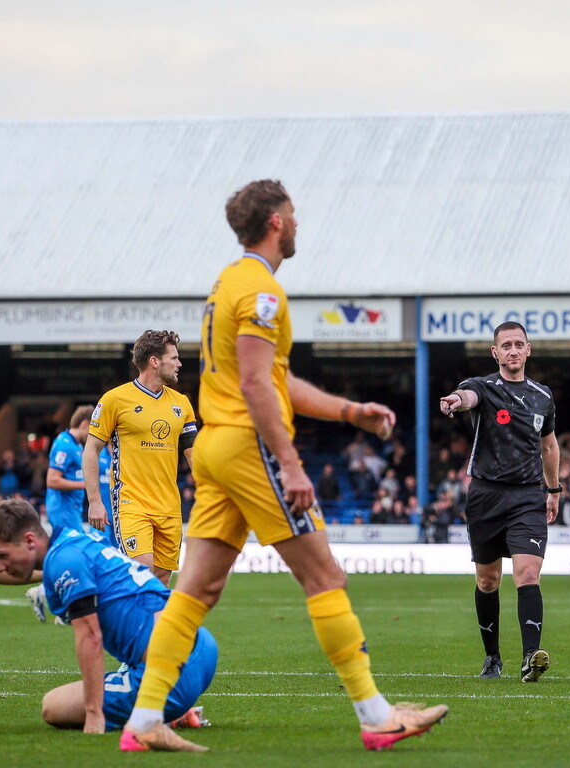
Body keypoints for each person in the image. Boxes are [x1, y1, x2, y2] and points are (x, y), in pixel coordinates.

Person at [119, 179, 447, 753]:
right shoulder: (263, 292)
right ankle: (376, 717)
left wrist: (349, 411)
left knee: (195, 591)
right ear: (275, 222)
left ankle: (145, 721)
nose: (298, 224)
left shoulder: (229, 283)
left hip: (218, 449)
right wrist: (292, 465)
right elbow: (255, 384)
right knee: (325, 578)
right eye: (293, 215)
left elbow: (273, 377)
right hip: (250, 449)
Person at [0, 499, 214, 739]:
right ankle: (164, 709)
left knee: (54, 706)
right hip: (202, 647)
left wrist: (94, 713)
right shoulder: (70, 543)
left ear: (29, 540)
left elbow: (91, 636)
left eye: (1, 555)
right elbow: (22, 571)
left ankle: (166, 713)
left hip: (173, 674)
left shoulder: (64, 561)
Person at [439, 321, 560, 682]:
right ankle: (492, 657)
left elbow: (549, 445)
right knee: (488, 580)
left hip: (527, 496)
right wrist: (454, 401)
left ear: (528, 350)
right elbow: (467, 398)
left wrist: (553, 490)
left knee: (527, 573)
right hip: (486, 495)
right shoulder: (483, 387)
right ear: (495, 352)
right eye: (505, 345)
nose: (512, 350)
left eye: (518, 344)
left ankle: (529, 657)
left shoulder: (543, 395)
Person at [82, 330, 197, 587]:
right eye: (174, 358)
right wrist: (94, 502)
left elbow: (193, 454)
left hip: (169, 506)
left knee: (161, 580)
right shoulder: (115, 399)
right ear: (155, 361)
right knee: (141, 570)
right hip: (131, 503)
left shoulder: (182, 404)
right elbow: (91, 450)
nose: (179, 364)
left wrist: (211, 491)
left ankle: (138, 623)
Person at [45, 406, 94, 533]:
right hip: (63, 509)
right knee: (75, 548)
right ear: (85, 424)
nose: (93, 434)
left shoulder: (76, 444)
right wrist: (85, 485)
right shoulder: (64, 444)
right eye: (93, 428)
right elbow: (52, 480)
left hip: (72, 508)